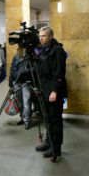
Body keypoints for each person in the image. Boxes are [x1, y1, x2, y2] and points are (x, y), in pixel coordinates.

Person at [35, 26, 67, 159]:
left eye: (43, 36)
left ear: (50, 36)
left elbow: (59, 73)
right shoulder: (44, 50)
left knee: (55, 121)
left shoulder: (57, 50)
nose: (40, 38)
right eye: (40, 36)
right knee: (48, 120)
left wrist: (54, 91)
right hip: (44, 90)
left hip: (54, 92)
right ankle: (48, 143)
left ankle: (56, 148)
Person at [8, 52, 33, 130]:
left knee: (27, 102)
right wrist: (10, 82)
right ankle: (22, 118)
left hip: (26, 82)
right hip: (16, 82)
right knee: (19, 102)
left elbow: (34, 69)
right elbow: (12, 69)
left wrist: (24, 72)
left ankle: (27, 121)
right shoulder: (16, 56)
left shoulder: (31, 55)